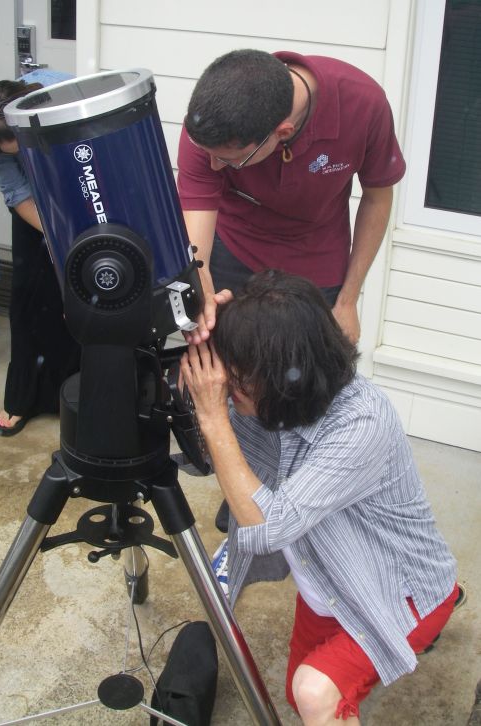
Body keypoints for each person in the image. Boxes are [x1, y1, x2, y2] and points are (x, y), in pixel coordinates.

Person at [180, 270, 458, 725]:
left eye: (238, 373)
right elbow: (203, 453)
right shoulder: (270, 396)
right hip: (331, 582)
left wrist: (213, 417)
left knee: (314, 694)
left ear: (283, 376)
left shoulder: (360, 423)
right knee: (297, 693)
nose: (226, 383)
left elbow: (269, 526)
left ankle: (439, 603)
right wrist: (197, 338)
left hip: (398, 588)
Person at [177, 49, 406, 346]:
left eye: (231, 160)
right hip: (234, 245)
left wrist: (348, 301)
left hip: (316, 258)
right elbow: (198, 251)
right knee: (223, 364)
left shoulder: (364, 106)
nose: (215, 166)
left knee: (303, 377)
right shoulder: (207, 126)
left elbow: (378, 197)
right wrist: (203, 292)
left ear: (282, 133)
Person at [0, 71, 81, 436]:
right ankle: (23, 397)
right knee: (27, 298)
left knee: (78, 296)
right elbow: (19, 196)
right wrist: (62, 237)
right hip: (32, 211)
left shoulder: (62, 92)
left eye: (20, 144)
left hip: (80, 188)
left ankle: (75, 393)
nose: (17, 154)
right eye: (10, 151)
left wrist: (80, 236)